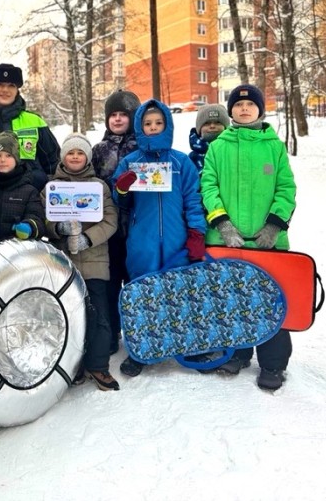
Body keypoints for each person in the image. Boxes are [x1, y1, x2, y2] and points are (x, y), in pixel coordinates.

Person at [201, 84, 296, 391]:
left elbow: (286, 188)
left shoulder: (273, 146)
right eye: (238, 106)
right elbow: (209, 186)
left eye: (250, 105)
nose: (244, 109)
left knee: (271, 301)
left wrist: (274, 226)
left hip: (268, 243)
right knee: (233, 298)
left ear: (260, 110)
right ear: (231, 111)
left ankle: (272, 363)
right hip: (227, 240)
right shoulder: (219, 146)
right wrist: (223, 224)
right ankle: (237, 352)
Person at [112, 100, 207, 377]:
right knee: (144, 293)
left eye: (158, 123)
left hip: (177, 241)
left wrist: (196, 232)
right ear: (140, 128)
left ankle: (189, 345)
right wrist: (123, 188)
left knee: (181, 292)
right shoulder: (130, 162)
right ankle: (141, 349)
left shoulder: (181, 162)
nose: (153, 128)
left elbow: (192, 199)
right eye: (147, 124)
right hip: (143, 242)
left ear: (167, 125)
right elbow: (121, 201)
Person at [45, 133, 120, 391]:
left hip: (95, 260)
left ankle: (98, 365)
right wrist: (58, 227)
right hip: (62, 262)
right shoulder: (51, 187)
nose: (75, 156)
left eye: (80, 152)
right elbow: (43, 218)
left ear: (87, 157)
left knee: (98, 315)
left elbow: (111, 220)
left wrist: (89, 238)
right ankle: (71, 366)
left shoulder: (100, 187)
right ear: (63, 156)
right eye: (70, 152)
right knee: (67, 316)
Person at [91, 89, 140, 354]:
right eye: (113, 115)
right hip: (107, 229)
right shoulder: (99, 150)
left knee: (133, 282)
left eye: (124, 115)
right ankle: (110, 333)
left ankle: (135, 333)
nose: (118, 120)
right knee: (109, 285)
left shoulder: (143, 148)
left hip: (136, 227)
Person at [188, 104, 230, 173]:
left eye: (218, 122)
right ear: (199, 129)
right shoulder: (192, 158)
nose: (212, 126)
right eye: (207, 123)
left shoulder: (234, 151)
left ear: (226, 127)